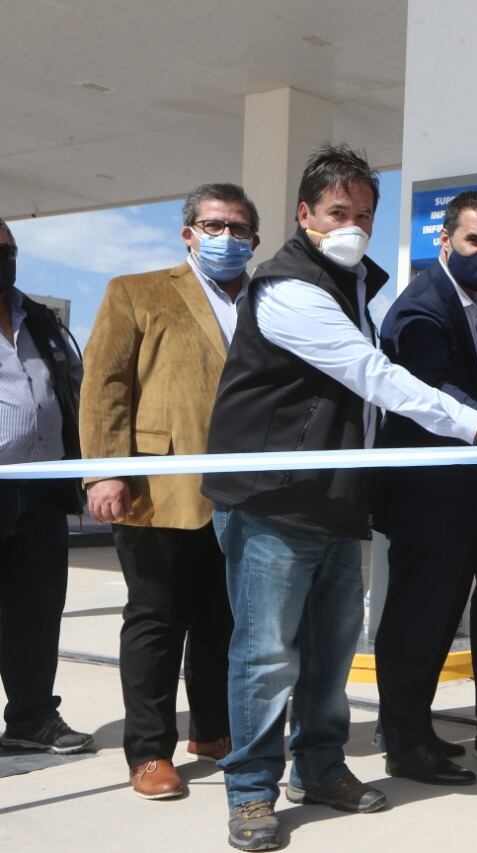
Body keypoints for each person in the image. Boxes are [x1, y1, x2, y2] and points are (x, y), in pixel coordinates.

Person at [201, 145, 477, 852]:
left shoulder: (349, 284)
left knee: (327, 656)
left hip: (336, 499)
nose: (351, 225)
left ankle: (321, 767)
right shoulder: (288, 287)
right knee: (266, 657)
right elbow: (372, 376)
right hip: (272, 498)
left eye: (363, 214)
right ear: (304, 215)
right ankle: (252, 791)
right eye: (336, 212)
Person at [79, 183, 254, 800]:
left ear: (254, 241)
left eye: (238, 228)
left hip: (243, 496)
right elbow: (106, 386)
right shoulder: (137, 292)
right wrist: (104, 471)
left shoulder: (265, 301)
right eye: (214, 226)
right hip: (158, 488)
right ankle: (149, 751)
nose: (226, 238)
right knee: (155, 621)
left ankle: (211, 731)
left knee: (222, 623)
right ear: (189, 233)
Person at [375, 190, 477, 782]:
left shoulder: (475, 305)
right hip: (429, 498)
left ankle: (416, 729)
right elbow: (437, 390)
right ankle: (404, 743)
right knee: (417, 618)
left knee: (441, 618)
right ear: (444, 241)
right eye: (475, 241)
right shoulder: (421, 308)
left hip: (470, 495)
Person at [0, 217, 94, 758]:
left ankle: (32, 717)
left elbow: (69, 385)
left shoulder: (36, 318)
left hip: (41, 489)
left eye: (7, 249)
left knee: (37, 610)